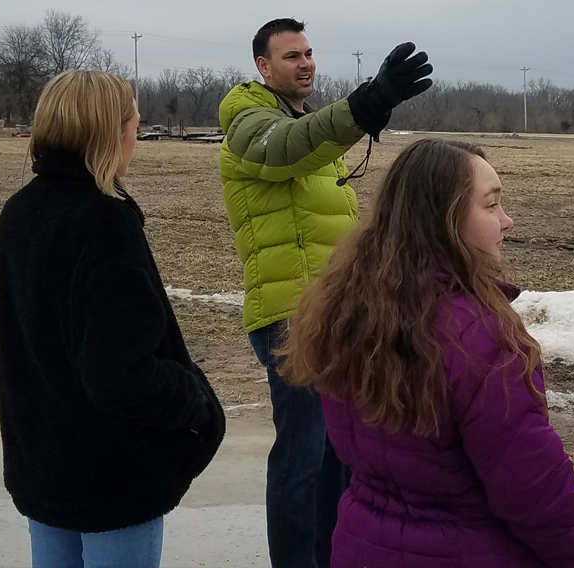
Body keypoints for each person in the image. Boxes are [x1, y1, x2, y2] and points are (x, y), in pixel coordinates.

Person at [281, 138, 574, 568]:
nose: (507, 221)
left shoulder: (348, 312)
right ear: (444, 220)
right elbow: (531, 486)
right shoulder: (480, 338)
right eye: (491, 206)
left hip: (362, 545)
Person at [218, 18, 432, 568]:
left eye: (309, 52)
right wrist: (366, 104)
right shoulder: (249, 124)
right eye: (291, 56)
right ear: (263, 68)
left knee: (341, 453)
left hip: (334, 313)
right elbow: (290, 148)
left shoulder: (311, 124)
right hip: (289, 315)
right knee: (303, 457)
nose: (305, 63)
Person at [0, 69, 225, 568]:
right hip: (110, 470)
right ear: (110, 131)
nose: (136, 137)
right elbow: (121, 372)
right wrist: (197, 404)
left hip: (44, 458)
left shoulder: (21, 209)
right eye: (134, 124)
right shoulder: (102, 221)